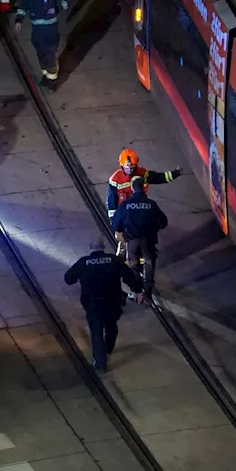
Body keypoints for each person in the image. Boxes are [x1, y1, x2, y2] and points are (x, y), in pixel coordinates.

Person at [64, 237, 142, 372]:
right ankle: (108, 348)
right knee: (111, 325)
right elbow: (130, 276)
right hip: (113, 300)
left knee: (96, 332)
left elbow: (69, 278)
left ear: (90, 247)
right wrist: (137, 291)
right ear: (103, 247)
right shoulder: (114, 260)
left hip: (93, 303)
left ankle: (100, 364)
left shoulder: (84, 262)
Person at [112, 175, 169, 301]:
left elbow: (116, 224)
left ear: (132, 188)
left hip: (132, 241)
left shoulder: (125, 205)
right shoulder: (151, 204)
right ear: (143, 187)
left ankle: (137, 291)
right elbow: (163, 222)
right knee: (149, 263)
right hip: (148, 240)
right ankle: (148, 293)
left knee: (133, 264)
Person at [13, 0, 71, 83]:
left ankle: (52, 80)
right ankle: (46, 74)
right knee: (40, 51)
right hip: (37, 27)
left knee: (50, 51)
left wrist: (56, 8)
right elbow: (23, 4)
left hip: (50, 26)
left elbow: (66, 0)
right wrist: (19, 19)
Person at [106, 149, 183, 218]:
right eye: (127, 167)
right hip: (125, 212)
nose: (130, 169)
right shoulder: (115, 179)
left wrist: (176, 173)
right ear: (121, 166)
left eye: (132, 166)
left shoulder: (142, 173)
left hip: (139, 209)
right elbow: (111, 201)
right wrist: (113, 218)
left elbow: (159, 178)